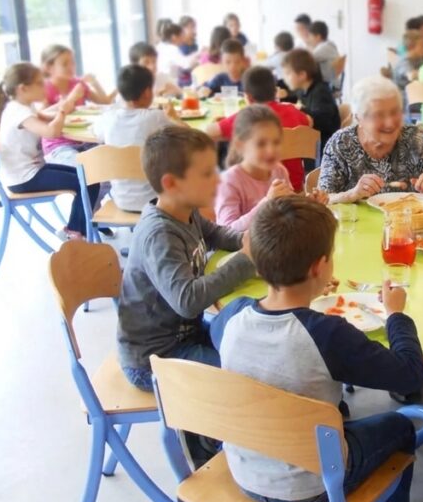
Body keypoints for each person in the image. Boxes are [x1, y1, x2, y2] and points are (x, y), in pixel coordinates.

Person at [211, 196, 423, 502]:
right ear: (320, 266)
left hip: (245, 471)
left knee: (322, 408)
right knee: (401, 426)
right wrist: (396, 315)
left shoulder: (232, 316)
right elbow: (409, 373)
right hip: (309, 487)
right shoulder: (326, 335)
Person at [116, 126, 255, 391]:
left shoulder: (183, 210)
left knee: (252, 345)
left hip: (186, 334)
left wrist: (249, 241)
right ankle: (185, 431)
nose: (217, 180)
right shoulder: (159, 234)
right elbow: (187, 300)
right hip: (155, 359)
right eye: (206, 174)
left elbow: (217, 234)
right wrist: (245, 260)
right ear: (171, 183)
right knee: (246, 377)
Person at [0, 62, 99, 239]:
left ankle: (76, 231)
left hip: (31, 171)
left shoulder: (21, 106)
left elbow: (43, 117)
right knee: (89, 181)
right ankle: (76, 233)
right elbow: (52, 131)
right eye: (39, 83)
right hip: (25, 179)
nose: (45, 86)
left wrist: (63, 109)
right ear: (23, 89)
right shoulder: (19, 112)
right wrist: (63, 112)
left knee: (90, 176)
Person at [318, 76, 423, 202]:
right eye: (378, 115)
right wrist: (352, 193)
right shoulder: (341, 143)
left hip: (407, 224)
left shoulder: (414, 138)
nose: (389, 123)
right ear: (359, 118)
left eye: (395, 112)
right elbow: (323, 199)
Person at [207, 66, 311, 190]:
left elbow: (209, 133)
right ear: (275, 91)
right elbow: (309, 122)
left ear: (248, 97)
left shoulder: (247, 118)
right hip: (296, 188)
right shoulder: (291, 110)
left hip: (259, 192)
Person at [92, 65, 179, 212]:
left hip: (120, 201)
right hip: (156, 203)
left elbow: (95, 132)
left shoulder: (108, 118)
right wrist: (173, 117)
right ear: (146, 92)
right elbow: (186, 135)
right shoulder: (155, 118)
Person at [215, 106, 295, 231]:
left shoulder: (279, 170)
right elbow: (226, 232)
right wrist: (266, 204)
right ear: (240, 146)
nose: (271, 150)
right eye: (261, 144)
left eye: (276, 142)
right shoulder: (229, 181)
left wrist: (309, 204)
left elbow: (289, 208)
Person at [40, 44, 112, 165]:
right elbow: (41, 116)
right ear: (49, 67)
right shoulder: (44, 88)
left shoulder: (78, 84)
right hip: (58, 145)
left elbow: (104, 102)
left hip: (85, 141)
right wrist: (71, 98)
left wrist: (94, 82)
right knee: (89, 168)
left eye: (73, 62)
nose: (71, 67)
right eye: (65, 64)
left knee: (110, 160)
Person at [281, 48, 341, 151]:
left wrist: (299, 108)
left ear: (302, 75)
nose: (284, 78)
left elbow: (321, 120)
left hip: (323, 147)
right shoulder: (305, 88)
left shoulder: (321, 92)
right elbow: (295, 96)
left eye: (287, 74)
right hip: (314, 142)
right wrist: (285, 96)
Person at [307, 20, 340, 91]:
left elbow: (307, 60)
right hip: (332, 82)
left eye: (310, 36)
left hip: (327, 85)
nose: (309, 39)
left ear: (318, 37)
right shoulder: (330, 44)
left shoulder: (323, 48)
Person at [157, 21, 190, 85]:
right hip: (170, 83)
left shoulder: (160, 46)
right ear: (174, 37)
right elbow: (186, 64)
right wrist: (198, 55)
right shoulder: (172, 49)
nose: (183, 40)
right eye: (182, 36)